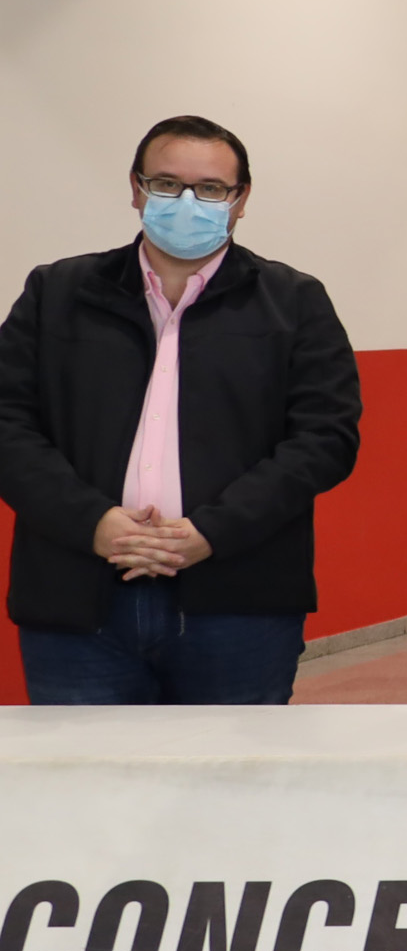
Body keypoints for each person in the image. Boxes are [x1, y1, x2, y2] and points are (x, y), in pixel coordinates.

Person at [0, 116, 359, 703]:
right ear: (136, 188)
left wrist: (212, 531)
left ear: (241, 199)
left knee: (232, 763)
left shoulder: (294, 301)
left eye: (211, 188)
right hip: (77, 603)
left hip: (239, 603)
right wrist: (92, 522)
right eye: (167, 184)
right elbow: (8, 425)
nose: (187, 202)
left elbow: (325, 439)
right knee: (85, 764)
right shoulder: (58, 292)